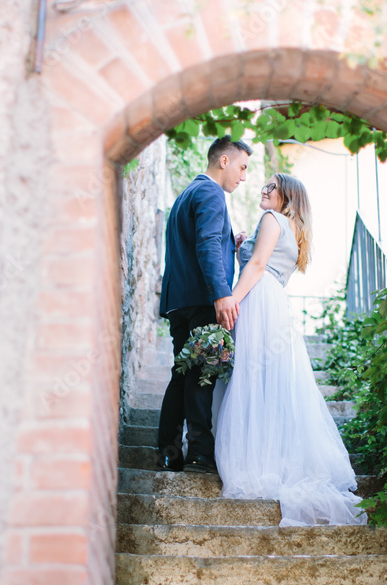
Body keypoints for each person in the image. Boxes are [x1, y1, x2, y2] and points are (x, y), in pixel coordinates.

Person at [214, 173, 366, 526]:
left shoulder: (271, 219)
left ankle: (254, 458)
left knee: (250, 376)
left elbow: (256, 265)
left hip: (257, 299)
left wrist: (230, 303)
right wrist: (243, 244)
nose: (263, 190)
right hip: (274, 303)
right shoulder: (292, 228)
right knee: (267, 379)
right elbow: (263, 261)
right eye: (264, 185)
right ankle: (273, 456)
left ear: (288, 197)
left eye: (272, 187)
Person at [157, 135, 252, 474]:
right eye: (242, 167)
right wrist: (222, 293)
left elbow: (204, 242)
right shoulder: (211, 193)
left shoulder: (187, 193)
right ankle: (199, 453)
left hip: (180, 301)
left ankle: (168, 449)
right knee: (201, 375)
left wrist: (231, 243)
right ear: (223, 161)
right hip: (201, 301)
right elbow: (207, 244)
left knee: (182, 374)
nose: (244, 176)